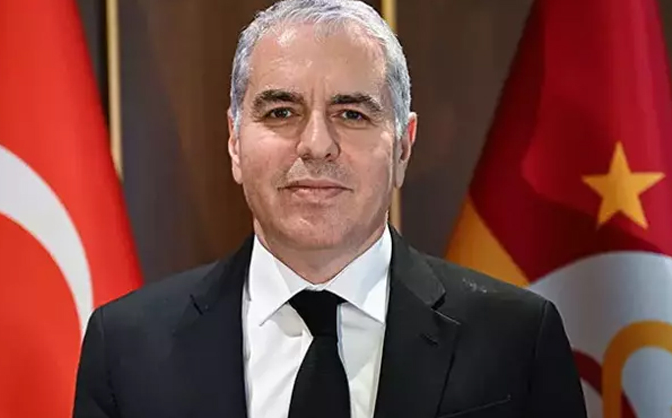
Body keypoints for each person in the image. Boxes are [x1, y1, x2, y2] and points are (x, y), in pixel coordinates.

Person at [72, 0, 587, 417]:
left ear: (403, 146)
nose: (316, 144)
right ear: (234, 142)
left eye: (352, 113)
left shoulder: (517, 341)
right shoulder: (127, 349)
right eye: (281, 111)